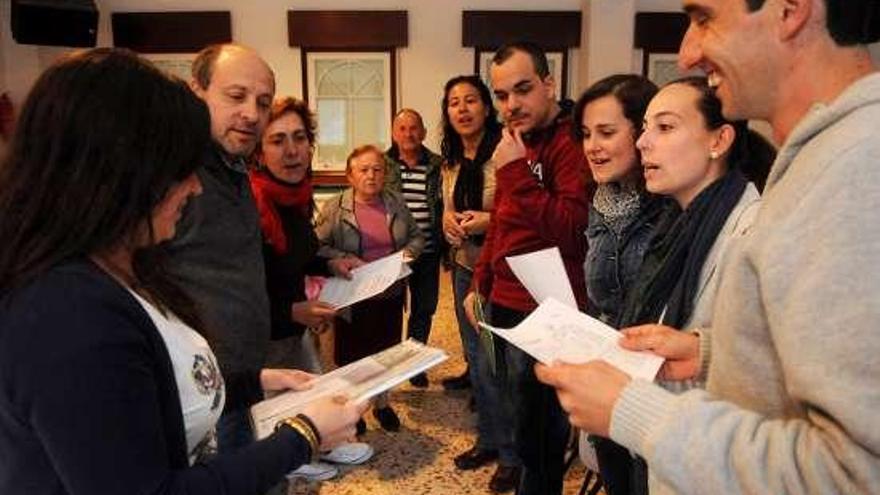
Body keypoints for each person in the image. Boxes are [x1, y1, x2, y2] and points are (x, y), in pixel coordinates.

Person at [536, 1, 880, 493]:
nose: (688, 52)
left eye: (704, 19)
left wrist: (632, 411)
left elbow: (857, 474)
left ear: (790, 9)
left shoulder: (857, 170)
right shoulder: (824, 160)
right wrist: (711, 352)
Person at [0, 47, 366, 495]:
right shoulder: (66, 314)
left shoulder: (117, 268)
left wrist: (254, 381)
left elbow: (154, 395)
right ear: (118, 170)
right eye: (178, 169)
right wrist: (304, 435)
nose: (193, 186)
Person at [464, 41, 592, 495]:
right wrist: (481, 279)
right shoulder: (513, 142)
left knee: (541, 432)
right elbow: (504, 218)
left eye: (522, 90)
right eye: (501, 96)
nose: (511, 105)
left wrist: (516, 172)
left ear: (549, 83)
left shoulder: (571, 143)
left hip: (550, 306)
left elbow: (574, 230)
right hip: (506, 299)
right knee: (519, 414)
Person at [249, 97, 372, 482]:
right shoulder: (251, 201)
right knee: (276, 403)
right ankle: (292, 457)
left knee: (310, 391)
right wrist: (289, 310)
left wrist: (330, 263)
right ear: (258, 149)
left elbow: (298, 254)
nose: (291, 151)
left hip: (294, 324)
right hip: (263, 330)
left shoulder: (298, 196)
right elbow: (238, 287)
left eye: (299, 138)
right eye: (278, 140)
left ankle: (320, 445)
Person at [573, 74, 667, 495]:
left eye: (607, 133)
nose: (592, 145)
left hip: (658, 382)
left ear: (643, 133)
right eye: (586, 134)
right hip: (607, 372)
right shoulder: (598, 201)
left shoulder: (670, 204)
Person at [439, 74, 522, 492]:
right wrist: (448, 222)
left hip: (499, 271)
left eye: (471, 100)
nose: (463, 109)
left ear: (486, 108)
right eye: (454, 103)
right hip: (463, 265)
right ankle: (489, 440)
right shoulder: (451, 158)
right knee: (476, 358)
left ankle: (511, 454)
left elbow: (516, 208)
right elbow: (447, 207)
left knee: (496, 364)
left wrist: (487, 220)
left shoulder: (502, 152)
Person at [316, 144, 425, 433]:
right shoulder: (336, 207)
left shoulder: (396, 203)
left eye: (377, 169)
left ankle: (382, 403)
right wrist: (340, 259)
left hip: (390, 292)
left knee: (385, 353)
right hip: (354, 295)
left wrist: (407, 255)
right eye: (363, 170)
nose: (371, 175)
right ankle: (355, 406)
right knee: (352, 355)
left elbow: (416, 237)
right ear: (350, 176)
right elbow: (317, 246)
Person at [384, 108, 444, 388]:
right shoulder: (383, 165)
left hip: (429, 253)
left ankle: (413, 364)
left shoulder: (438, 165)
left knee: (423, 309)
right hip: (393, 255)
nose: (408, 134)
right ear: (394, 133)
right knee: (390, 311)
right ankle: (388, 366)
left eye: (414, 128)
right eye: (402, 129)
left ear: (423, 132)